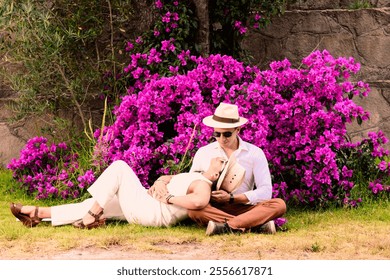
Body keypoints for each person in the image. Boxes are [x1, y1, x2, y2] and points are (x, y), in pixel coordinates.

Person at [10, 157, 243, 229]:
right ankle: (38, 214)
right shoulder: (199, 176)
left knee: (120, 167)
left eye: (222, 161)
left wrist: (169, 198)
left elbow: (200, 201)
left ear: (218, 174)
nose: (217, 156)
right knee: (100, 200)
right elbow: (169, 179)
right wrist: (162, 182)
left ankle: (92, 216)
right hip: (149, 203)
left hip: (152, 212)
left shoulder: (203, 185)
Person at [188, 102, 287, 236]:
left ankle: (226, 226)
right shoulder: (204, 152)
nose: (222, 139)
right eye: (217, 134)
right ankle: (253, 225)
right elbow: (191, 186)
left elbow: (266, 191)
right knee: (194, 211)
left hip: (245, 207)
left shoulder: (254, 153)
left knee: (279, 204)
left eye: (227, 134)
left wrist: (232, 198)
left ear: (238, 130)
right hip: (214, 206)